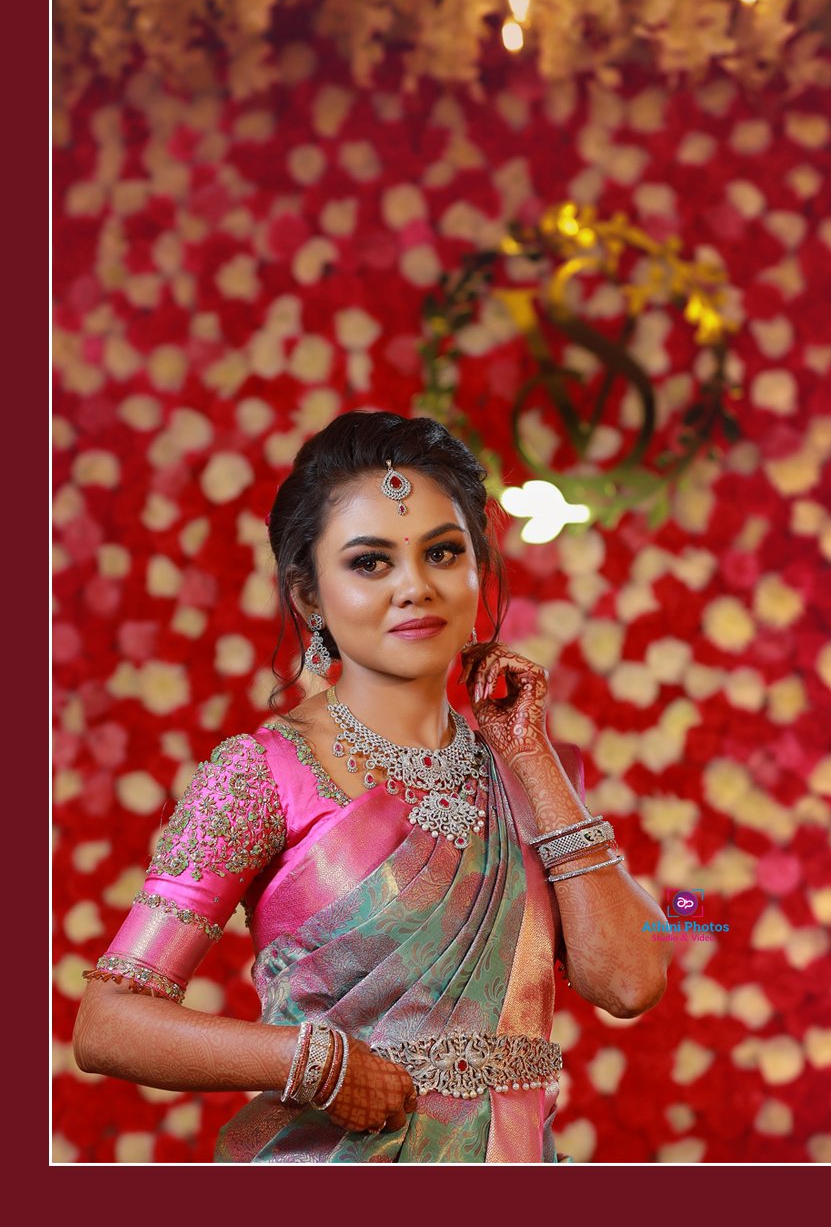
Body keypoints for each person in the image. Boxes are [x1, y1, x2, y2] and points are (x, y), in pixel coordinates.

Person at [73, 410, 673, 1162]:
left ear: (477, 569)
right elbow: (107, 1023)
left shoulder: (536, 771)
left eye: (443, 552)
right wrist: (312, 1062)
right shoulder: (265, 774)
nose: (415, 587)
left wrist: (531, 758)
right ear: (309, 597)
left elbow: (630, 981)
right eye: (369, 562)